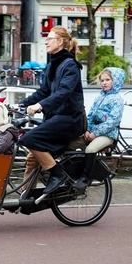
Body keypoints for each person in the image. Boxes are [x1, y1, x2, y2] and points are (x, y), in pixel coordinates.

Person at [18, 26, 85, 194]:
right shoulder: (52, 66)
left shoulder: (70, 66)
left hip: (70, 119)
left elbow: (63, 93)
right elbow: (43, 92)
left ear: (60, 42)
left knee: (29, 139)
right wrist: (21, 104)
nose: (46, 42)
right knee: (32, 158)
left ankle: (57, 174)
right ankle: (26, 198)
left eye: (49, 39)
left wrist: (40, 106)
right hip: (56, 118)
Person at [71, 67, 125, 191]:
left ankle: (85, 178)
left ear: (115, 81)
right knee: (71, 144)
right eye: (102, 80)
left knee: (91, 149)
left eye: (107, 80)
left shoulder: (117, 100)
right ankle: (74, 171)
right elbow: (90, 116)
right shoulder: (99, 97)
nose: (104, 83)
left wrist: (95, 133)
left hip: (108, 134)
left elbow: (112, 121)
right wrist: (87, 130)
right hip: (93, 132)